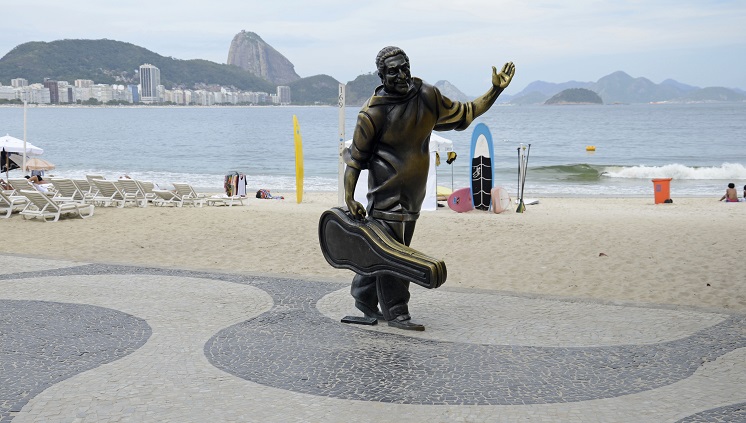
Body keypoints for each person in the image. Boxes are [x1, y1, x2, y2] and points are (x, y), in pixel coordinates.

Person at [343, 46, 515, 331]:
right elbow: (356, 160)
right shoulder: (372, 114)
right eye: (393, 71)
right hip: (387, 197)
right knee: (396, 255)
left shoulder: (427, 96)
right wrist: (349, 197)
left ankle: (363, 297)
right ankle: (397, 311)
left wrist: (495, 90)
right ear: (381, 75)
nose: (401, 74)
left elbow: (466, 112)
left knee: (388, 250)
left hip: (414, 197)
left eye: (404, 67)